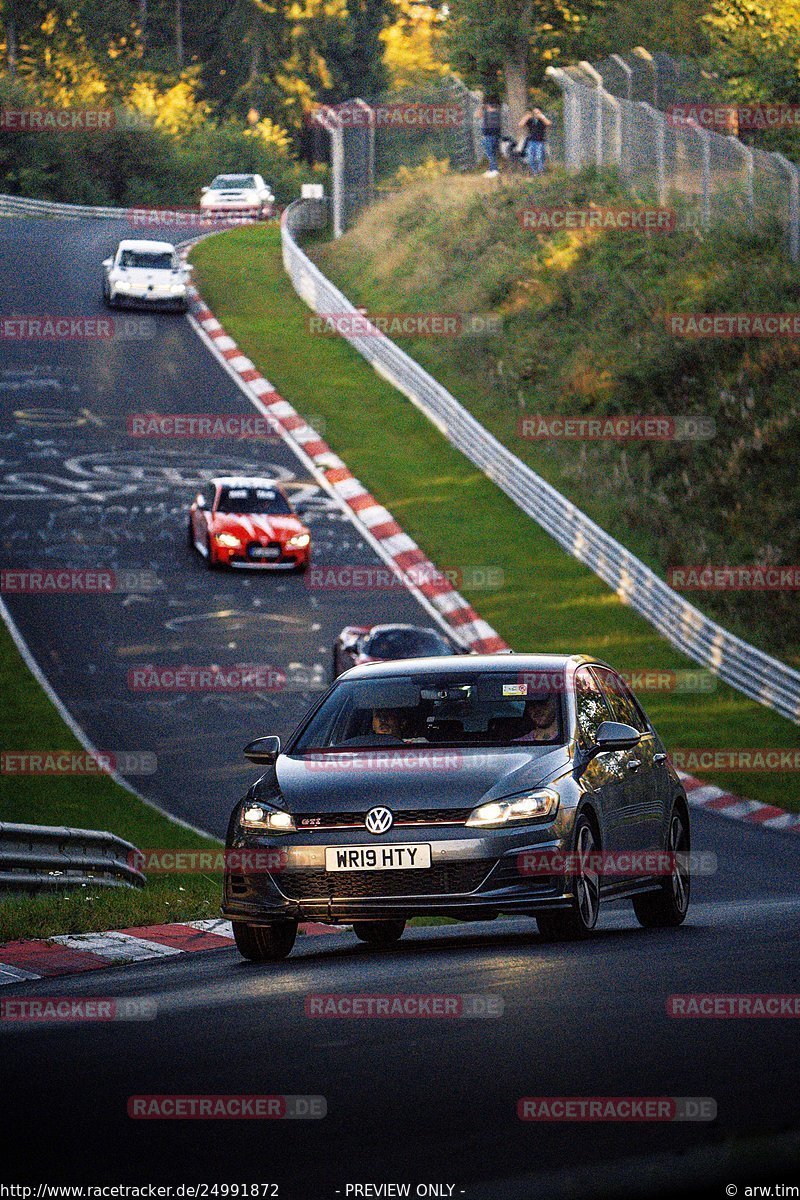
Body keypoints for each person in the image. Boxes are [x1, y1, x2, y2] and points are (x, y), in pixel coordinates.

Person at [519, 107, 551, 175]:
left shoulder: (542, 120)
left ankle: (541, 171)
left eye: (538, 113)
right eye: (535, 113)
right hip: (531, 141)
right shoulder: (531, 121)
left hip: (540, 141)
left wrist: (542, 117)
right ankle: (534, 172)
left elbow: (548, 123)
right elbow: (521, 125)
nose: (536, 114)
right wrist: (526, 117)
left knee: (539, 157)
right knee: (530, 158)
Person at [480, 98, 502, 178]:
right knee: (491, 153)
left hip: (490, 136)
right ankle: (491, 169)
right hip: (493, 135)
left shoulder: (491, 113)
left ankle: (494, 170)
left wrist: (481, 108)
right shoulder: (497, 113)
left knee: (490, 153)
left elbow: (477, 115)